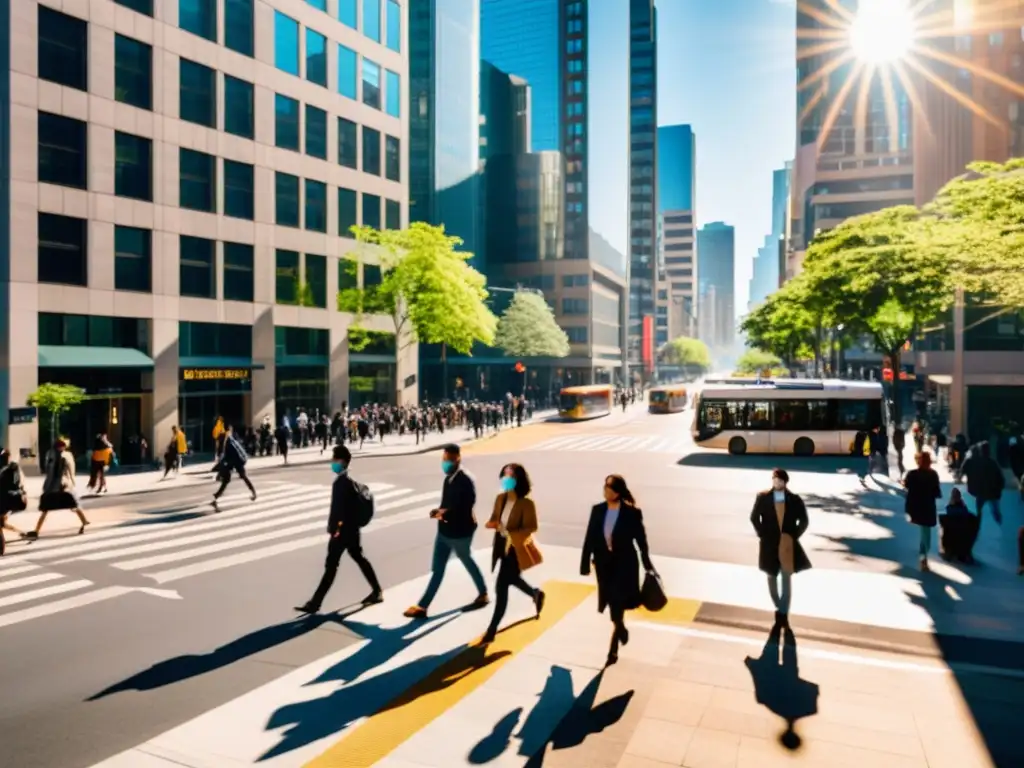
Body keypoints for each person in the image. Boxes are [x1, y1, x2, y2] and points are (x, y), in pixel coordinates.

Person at [404, 444, 489, 619]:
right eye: (444, 459)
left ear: (458, 458)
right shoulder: (448, 479)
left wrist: (445, 513)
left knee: (466, 560)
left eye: (448, 459)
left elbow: (466, 507)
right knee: (438, 569)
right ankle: (423, 606)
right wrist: (439, 513)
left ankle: (483, 593)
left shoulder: (466, 480)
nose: (445, 463)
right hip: (444, 532)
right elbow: (446, 504)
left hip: (459, 533)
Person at [295, 445, 383, 613]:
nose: (332, 462)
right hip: (352, 531)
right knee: (358, 558)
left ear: (342, 461)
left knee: (332, 566)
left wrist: (334, 530)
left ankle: (315, 603)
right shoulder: (347, 482)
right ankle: (377, 590)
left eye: (334, 459)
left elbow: (338, 511)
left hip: (342, 533)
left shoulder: (342, 484)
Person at [580, 475, 654, 667]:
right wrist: (585, 563)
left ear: (618, 492)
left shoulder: (632, 513)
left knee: (617, 606)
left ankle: (613, 647)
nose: (605, 492)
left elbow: (641, 541)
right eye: (604, 488)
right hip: (604, 566)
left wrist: (647, 563)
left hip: (625, 565)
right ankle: (620, 629)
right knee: (611, 603)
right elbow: (589, 537)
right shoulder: (597, 510)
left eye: (609, 489)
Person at [482, 463, 545, 643]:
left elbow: (532, 527)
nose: (506, 478)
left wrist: (512, 533)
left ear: (519, 480)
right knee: (512, 579)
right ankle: (535, 594)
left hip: (516, 550)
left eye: (511, 475)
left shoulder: (526, 503)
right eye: (504, 475)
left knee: (501, 586)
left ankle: (492, 629)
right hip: (501, 547)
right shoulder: (500, 498)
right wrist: (491, 523)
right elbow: (495, 518)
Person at [749, 469, 811, 624]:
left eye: (780, 480)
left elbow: (804, 520)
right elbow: (754, 517)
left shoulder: (794, 500)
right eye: (775, 480)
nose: (777, 483)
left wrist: (794, 536)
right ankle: (777, 604)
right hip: (769, 544)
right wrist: (762, 533)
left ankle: (784, 611)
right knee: (771, 576)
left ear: (785, 482)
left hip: (787, 545)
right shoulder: (763, 497)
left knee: (786, 578)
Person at [27, 439, 90, 539]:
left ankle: (36, 530)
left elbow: (50, 472)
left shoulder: (53, 455)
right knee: (72, 504)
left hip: (55, 487)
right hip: (63, 486)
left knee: (46, 509)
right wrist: (71, 482)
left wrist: (47, 487)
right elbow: (69, 470)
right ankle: (84, 521)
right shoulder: (64, 455)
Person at [903, 452, 942, 571]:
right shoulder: (933, 474)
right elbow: (937, 493)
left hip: (915, 507)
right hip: (927, 507)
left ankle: (923, 557)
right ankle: (923, 557)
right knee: (926, 535)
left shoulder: (912, 474)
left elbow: (907, 487)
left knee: (924, 533)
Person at [959, 441, 1004, 531]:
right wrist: (999, 488)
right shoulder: (992, 462)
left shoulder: (973, 461)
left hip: (979, 492)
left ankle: (975, 527)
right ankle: (1000, 526)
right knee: (995, 511)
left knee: (977, 511)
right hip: (992, 492)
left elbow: (963, 470)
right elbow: (1000, 478)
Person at [211, 426, 256, 511]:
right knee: (232, 479)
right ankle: (216, 498)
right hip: (234, 462)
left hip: (235, 462)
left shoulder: (226, 441)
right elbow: (226, 456)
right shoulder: (229, 439)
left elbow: (226, 456)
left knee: (231, 479)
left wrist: (220, 469)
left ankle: (216, 498)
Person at [939, 487, 977, 564]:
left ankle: (949, 552)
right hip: (964, 546)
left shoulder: (947, 516)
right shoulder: (969, 516)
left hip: (952, 545)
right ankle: (965, 554)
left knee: (947, 530)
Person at [0, 449, 27, 556]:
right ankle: (21, 533)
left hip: (5, 499)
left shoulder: (8, 468)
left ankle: (1, 548)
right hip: (12, 499)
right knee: (2, 523)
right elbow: (19, 483)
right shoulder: (14, 467)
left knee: (1, 523)